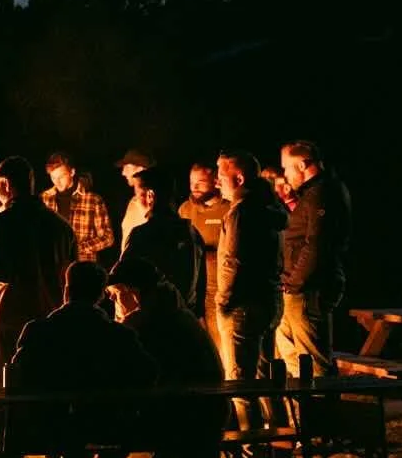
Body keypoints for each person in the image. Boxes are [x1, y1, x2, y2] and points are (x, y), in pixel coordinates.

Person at [5, 259, 158, 458]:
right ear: (100, 295)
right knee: (126, 432)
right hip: (105, 426)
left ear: (66, 291)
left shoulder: (38, 330)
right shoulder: (119, 336)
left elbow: (18, 378)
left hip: (43, 428)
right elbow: (148, 373)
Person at [108, 252, 226, 458]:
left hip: (185, 419)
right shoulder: (177, 313)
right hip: (206, 414)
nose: (112, 300)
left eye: (116, 293)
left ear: (135, 292)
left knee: (113, 431)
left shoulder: (144, 324)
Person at [0, 155, 77, 385]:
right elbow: (73, 275)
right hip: (52, 318)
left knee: (10, 387)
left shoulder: (4, 222)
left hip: (12, 320)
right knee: (47, 386)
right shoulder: (61, 226)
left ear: (6, 185)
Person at [214, 151, 288, 430]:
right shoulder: (270, 209)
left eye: (221, 175)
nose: (217, 181)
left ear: (239, 178)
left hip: (242, 305)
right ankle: (280, 440)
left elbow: (233, 260)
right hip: (269, 300)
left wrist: (224, 301)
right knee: (266, 376)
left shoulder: (242, 211)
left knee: (240, 384)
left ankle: (253, 452)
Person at [275, 139, 352, 377]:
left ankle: (320, 409)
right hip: (297, 288)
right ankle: (300, 411)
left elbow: (317, 244)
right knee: (293, 358)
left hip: (308, 290)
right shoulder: (313, 193)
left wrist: (294, 282)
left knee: (313, 360)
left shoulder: (323, 193)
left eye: (287, 168)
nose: (285, 175)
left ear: (302, 165)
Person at [117, 170, 192, 300]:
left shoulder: (142, 234)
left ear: (150, 196)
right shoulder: (191, 233)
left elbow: (121, 274)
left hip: (152, 313)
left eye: (138, 195)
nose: (136, 201)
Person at [42, 150, 115, 268]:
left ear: (72, 172)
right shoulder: (44, 199)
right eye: (53, 177)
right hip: (53, 269)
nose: (57, 181)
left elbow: (107, 237)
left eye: (61, 176)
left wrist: (78, 248)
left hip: (84, 269)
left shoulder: (93, 200)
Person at [179, 161, 228, 322]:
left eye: (200, 183)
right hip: (194, 287)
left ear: (215, 182)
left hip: (219, 286)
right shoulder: (185, 209)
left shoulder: (228, 209)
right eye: (192, 183)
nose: (195, 187)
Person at [115, 148, 155, 251]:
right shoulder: (133, 202)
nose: (123, 173)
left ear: (140, 169)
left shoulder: (154, 204)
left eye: (127, 167)